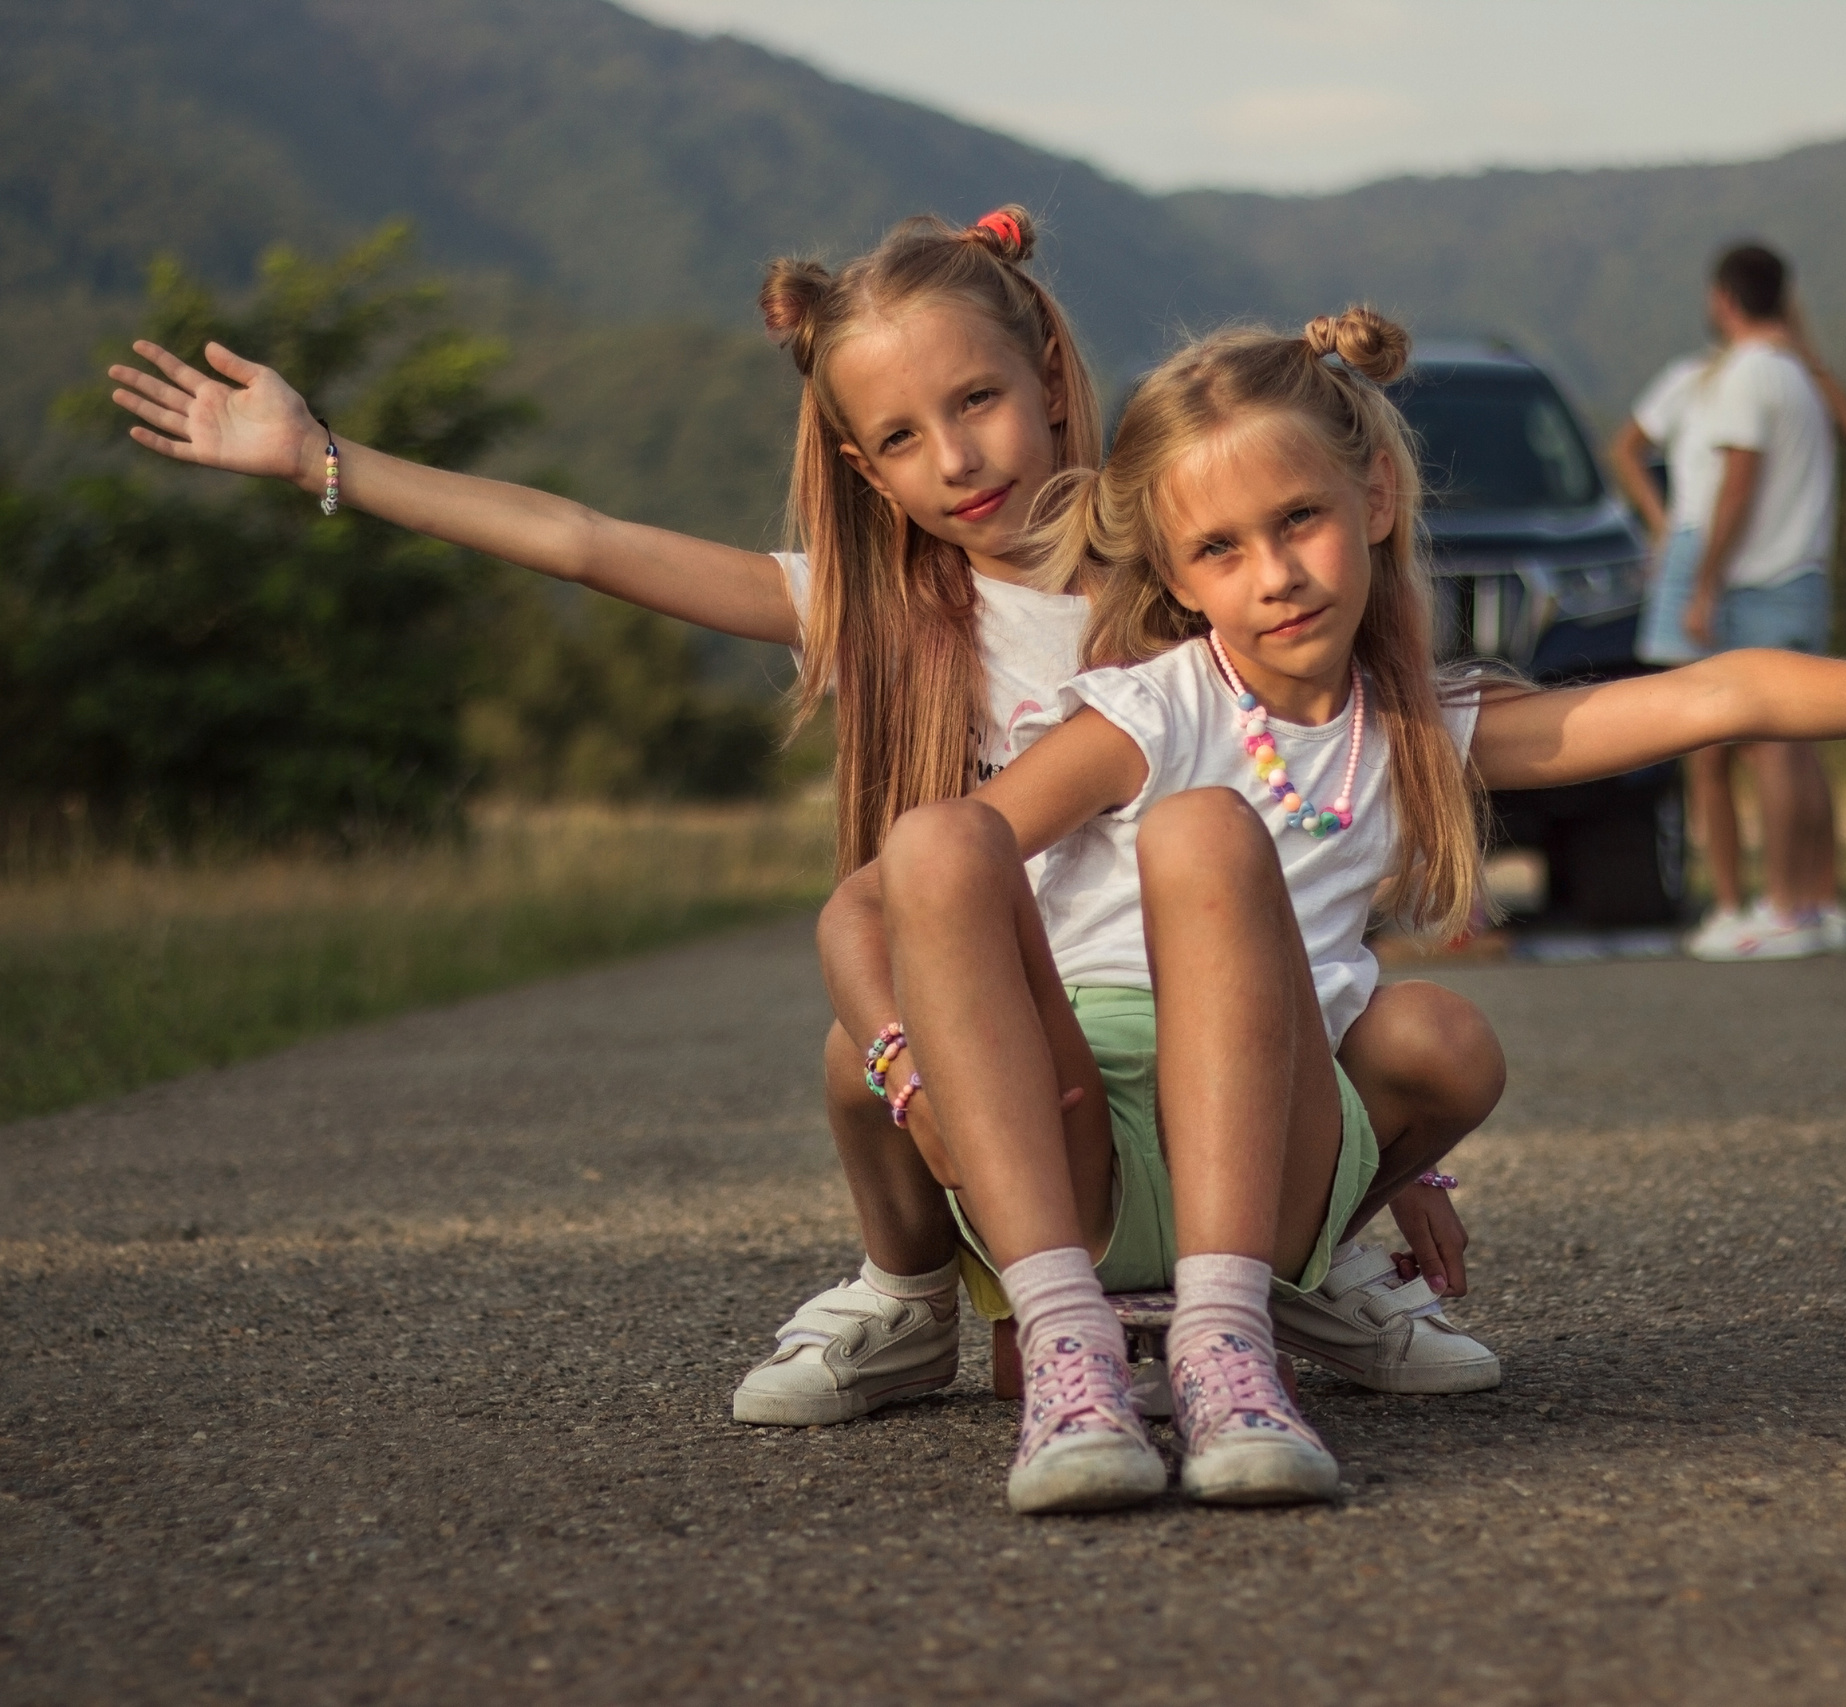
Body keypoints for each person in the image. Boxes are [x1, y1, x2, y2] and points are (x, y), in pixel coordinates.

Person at [102, 208, 1508, 1429]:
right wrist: (324, 460)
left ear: (1052, 375)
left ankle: (1301, 1268)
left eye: (979, 401)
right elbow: (586, 541)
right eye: (902, 436)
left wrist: (1396, 1158)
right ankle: (906, 1293)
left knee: (1422, 1034)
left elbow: (1304, 815)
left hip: (1222, 1021)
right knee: (855, 1050)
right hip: (1031, 1038)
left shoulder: (1186, 553)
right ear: (858, 463)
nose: (958, 458)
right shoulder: (883, 610)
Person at [818, 305, 1846, 1513]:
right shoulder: (1146, 709)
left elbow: (1725, 693)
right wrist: (901, 1056)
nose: (1275, 574)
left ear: (1372, 498)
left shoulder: (1431, 722)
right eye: (1223, 549)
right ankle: (1072, 1350)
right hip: (1076, 1147)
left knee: (1311, 923)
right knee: (949, 838)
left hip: (1263, 1144)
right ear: (1176, 577)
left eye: (1297, 520)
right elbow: (879, 902)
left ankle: (1231, 1354)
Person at [1609, 244, 1846, 960]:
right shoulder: (1790, 374)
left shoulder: (1747, 376)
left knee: (1769, 749)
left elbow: (1738, 485)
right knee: (1790, 747)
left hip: (1748, 578)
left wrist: (1702, 582)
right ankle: (1805, 903)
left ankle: (1783, 906)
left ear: (1723, 300)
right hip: (1796, 572)